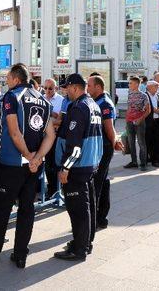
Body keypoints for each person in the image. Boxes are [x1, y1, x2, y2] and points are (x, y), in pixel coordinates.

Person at [0, 64, 55, 269]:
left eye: (8, 78)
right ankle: (20, 254)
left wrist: (29, 156)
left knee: (2, 209)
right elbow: (50, 135)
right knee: (27, 209)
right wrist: (37, 158)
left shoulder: (12, 97)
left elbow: (14, 132)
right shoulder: (43, 99)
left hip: (13, 163)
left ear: (15, 78)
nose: (6, 81)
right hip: (34, 166)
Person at [53, 73, 103, 261]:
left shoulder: (79, 107)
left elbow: (75, 144)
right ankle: (84, 243)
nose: (66, 92)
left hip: (77, 167)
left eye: (67, 88)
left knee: (78, 210)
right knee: (87, 206)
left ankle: (79, 248)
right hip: (89, 164)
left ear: (75, 87)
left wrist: (65, 167)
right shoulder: (93, 105)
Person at [86, 75, 122, 230]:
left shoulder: (104, 103)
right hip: (101, 147)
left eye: (89, 85)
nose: (87, 88)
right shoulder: (98, 101)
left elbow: (109, 126)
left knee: (98, 184)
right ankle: (101, 217)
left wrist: (114, 141)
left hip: (104, 147)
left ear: (98, 87)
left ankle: (95, 219)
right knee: (103, 181)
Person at [124, 76, 151, 171]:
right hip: (129, 121)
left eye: (130, 83)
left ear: (136, 84)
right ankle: (134, 162)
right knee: (131, 143)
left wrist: (140, 119)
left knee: (141, 143)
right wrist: (126, 120)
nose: (129, 85)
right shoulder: (129, 94)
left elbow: (148, 110)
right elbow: (129, 107)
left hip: (139, 122)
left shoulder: (144, 95)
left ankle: (143, 163)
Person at [43, 78, 64, 198]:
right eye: (45, 88)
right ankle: (51, 189)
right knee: (48, 165)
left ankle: (57, 190)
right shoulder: (41, 99)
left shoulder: (61, 100)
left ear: (55, 88)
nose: (47, 90)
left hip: (56, 137)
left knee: (55, 164)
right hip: (44, 137)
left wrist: (50, 120)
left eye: (50, 88)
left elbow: (60, 121)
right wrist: (52, 119)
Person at [145, 81, 159, 167]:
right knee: (147, 142)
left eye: (158, 86)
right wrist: (150, 109)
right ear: (149, 87)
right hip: (148, 122)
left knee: (157, 141)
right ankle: (146, 159)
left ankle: (156, 160)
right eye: (155, 86)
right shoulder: (144, 96)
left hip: (158, 122)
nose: (157, 88)